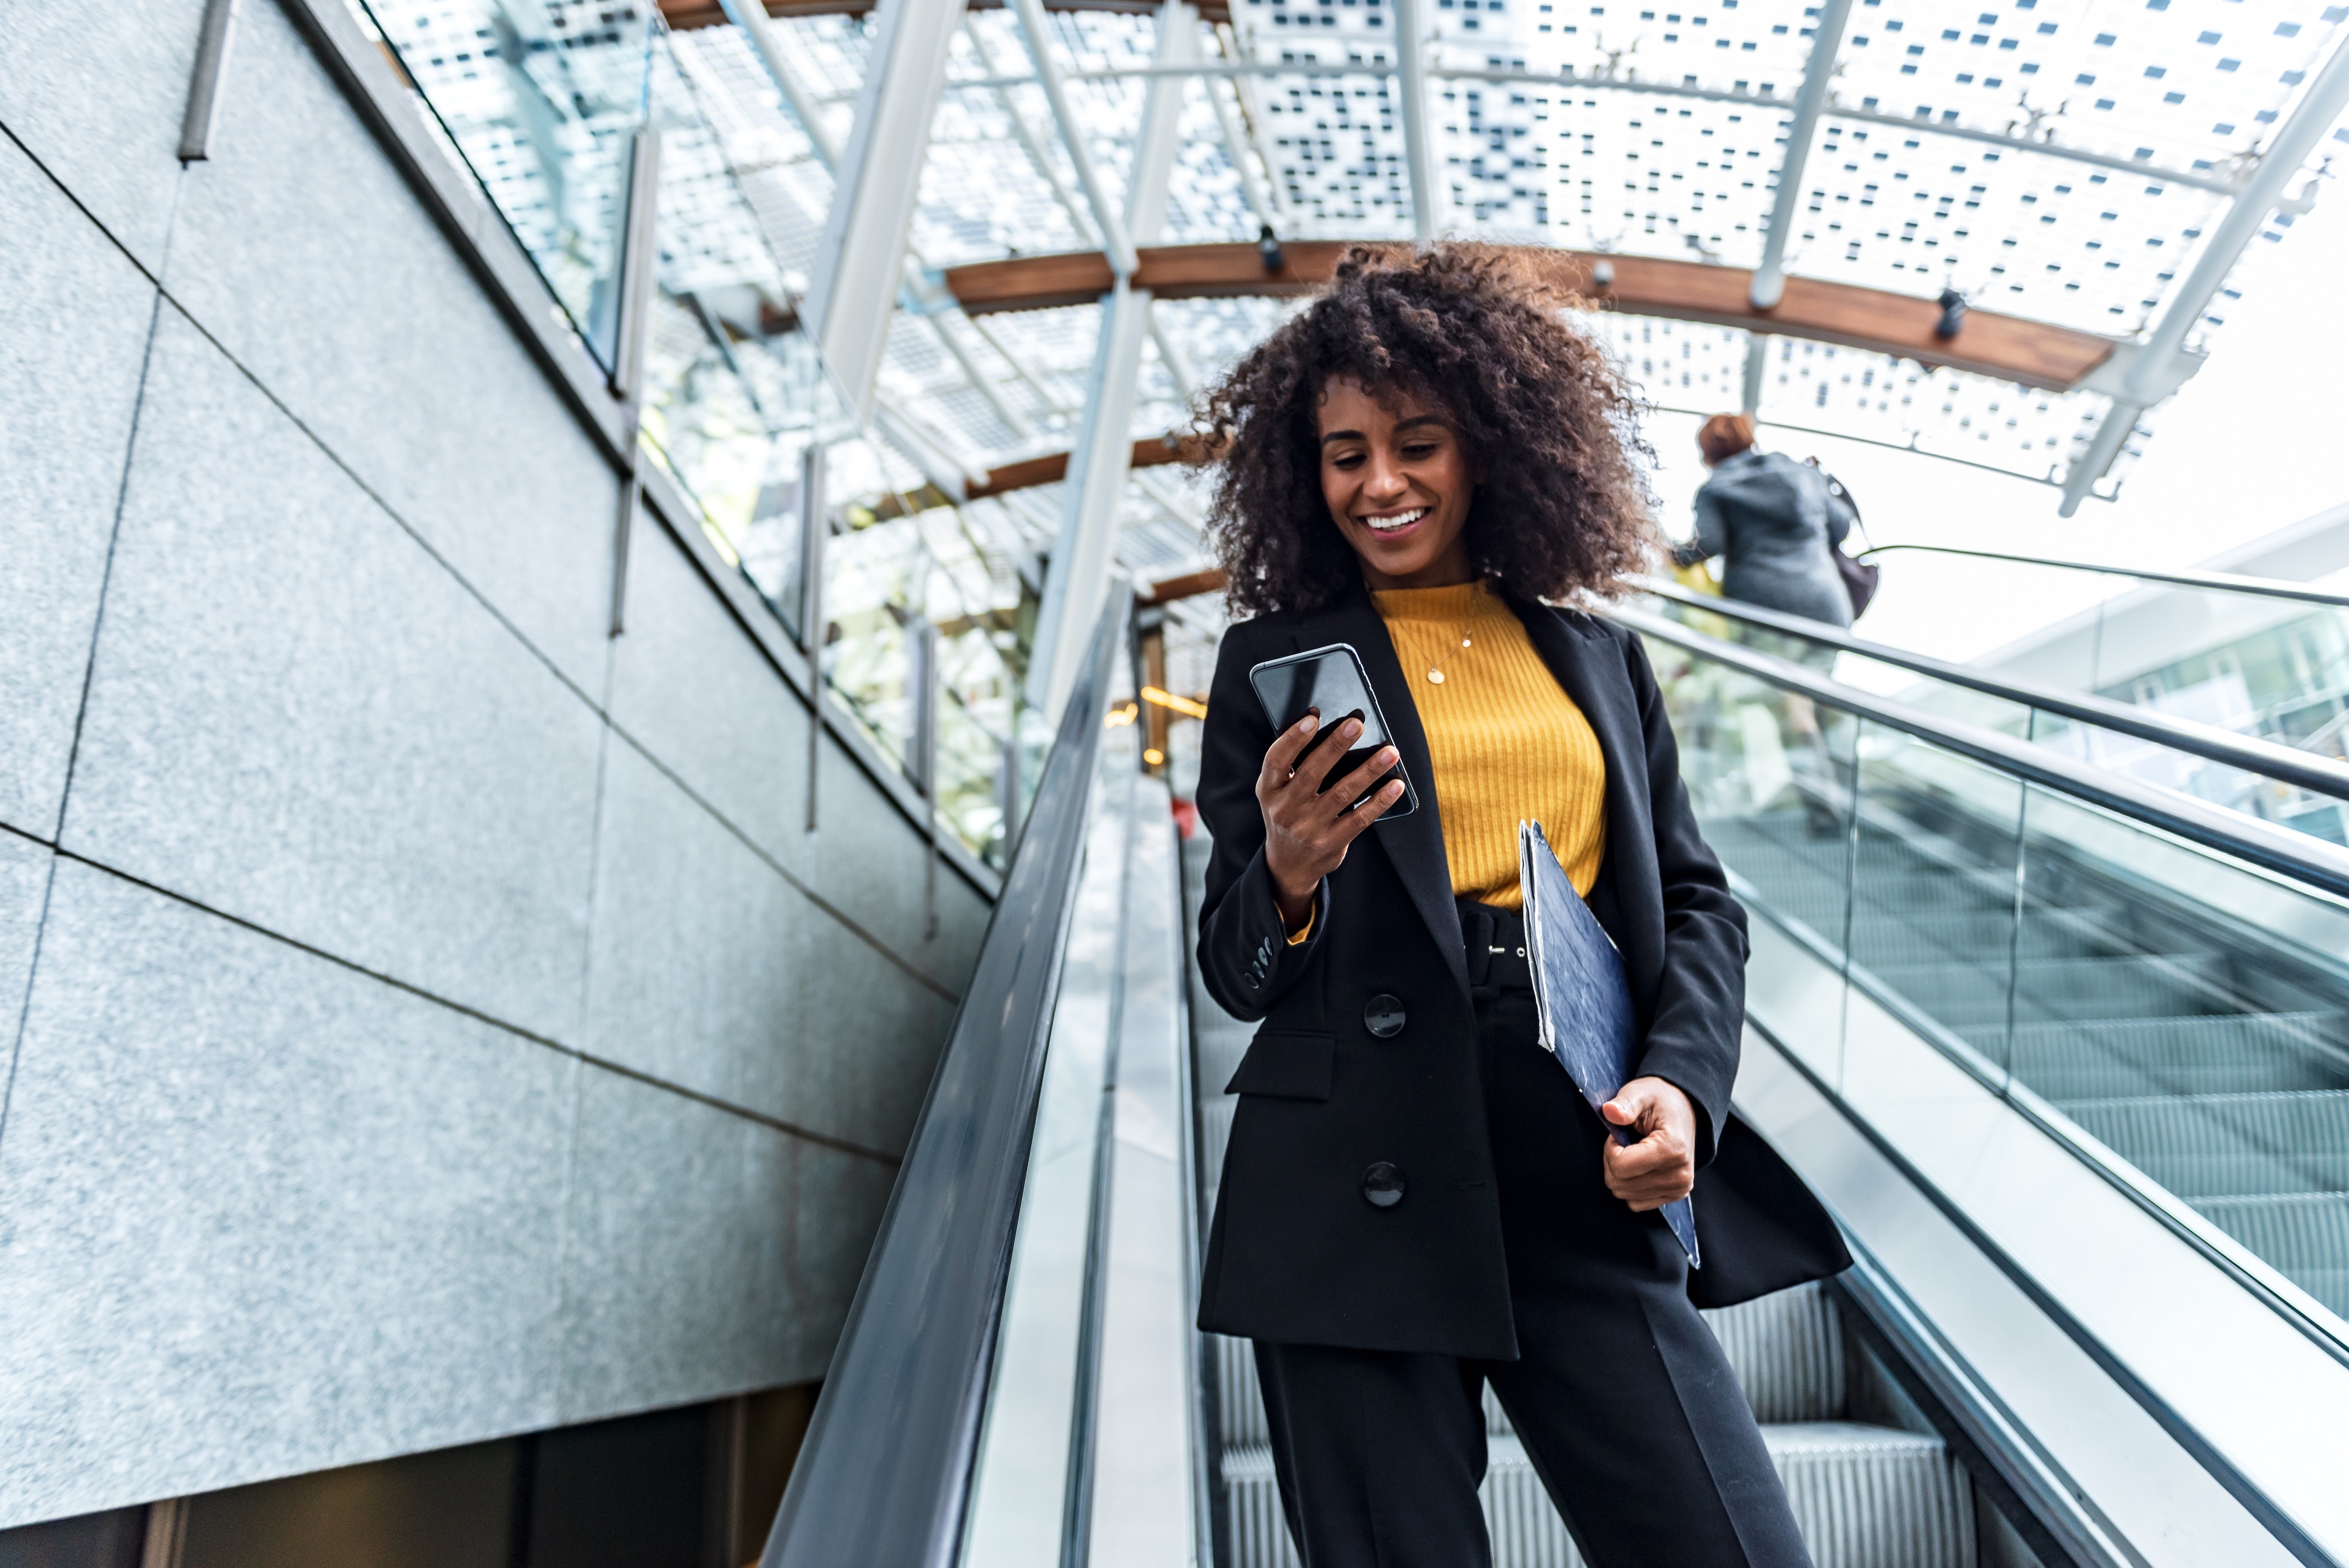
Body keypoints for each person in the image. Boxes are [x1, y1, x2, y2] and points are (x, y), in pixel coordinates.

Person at [1188, 244, 1848, 1568]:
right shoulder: (1269, 668)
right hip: (1352, 1184)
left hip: (1581, 1152)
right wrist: (1290, 871)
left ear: (1488, 445)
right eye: (1345, 453)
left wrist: (1681, 1085)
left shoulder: (1594, 653)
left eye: (1418, 443)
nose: (1381, 483)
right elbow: (1234, 964)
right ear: (1305, 477)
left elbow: (1699, 902)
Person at [1672, 412, 1857, 642]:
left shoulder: (1715, 488)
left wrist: (1668, 553)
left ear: (1709, 454)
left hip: (1763, 612)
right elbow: (1841, 526)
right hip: (1827, 608)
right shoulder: (1802, 472)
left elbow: (1706, 545)